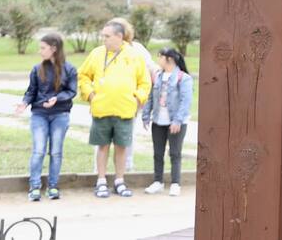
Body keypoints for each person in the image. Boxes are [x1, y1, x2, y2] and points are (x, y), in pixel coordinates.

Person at [77, 20, 152, 199]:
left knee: (122, 147)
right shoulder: (96, 53)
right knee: (102, 146)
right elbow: (83, 75)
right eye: (103, 35)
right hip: (101, 109)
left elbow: (145, 82)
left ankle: (119, 181)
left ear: (119, 36)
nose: (104, 39)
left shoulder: (134, 56)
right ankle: (101, 181)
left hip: (125, 110)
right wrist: (90, 95)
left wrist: (137, 99)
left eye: (107, 36)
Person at [16, 33, 77, 201]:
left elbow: (72, 91)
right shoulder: (37, 69)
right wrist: (24, 103)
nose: (40, 51)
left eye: (43, 48)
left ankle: (53, 186)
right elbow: (31, 91)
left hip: (60, 114)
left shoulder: (70, 69)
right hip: (39, 115)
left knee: (56, 152)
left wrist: (57, 98)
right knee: (38, 150)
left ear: (54, 49)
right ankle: (34, 187)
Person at [108, 16, 159, 172]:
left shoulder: (137, 49)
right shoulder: (104, 50)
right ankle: (99, 172)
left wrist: (141, 96)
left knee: (126, 136)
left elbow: (152, 68)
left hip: (130, 102)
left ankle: (126, 169)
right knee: (103, 138)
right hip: (107, 101)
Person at [142, 48, 194, 196]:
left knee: (175, 153)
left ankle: (175, 183)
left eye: (160, 57)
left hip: (176, 122)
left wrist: (178, 120)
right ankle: (157, 181)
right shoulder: (157, 76)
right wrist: (146, 115)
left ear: (169, 60)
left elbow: (186, 101)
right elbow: (151, 97)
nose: (158, 60)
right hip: (158, 121)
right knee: (157, 153)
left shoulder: (183, 78)